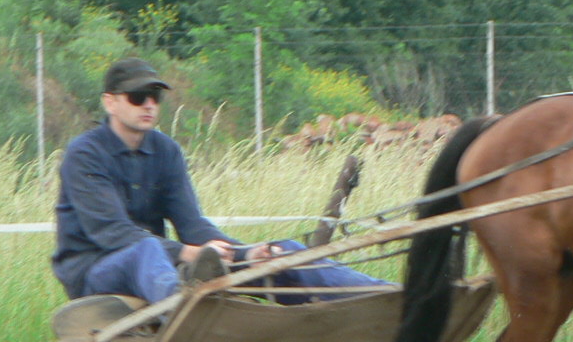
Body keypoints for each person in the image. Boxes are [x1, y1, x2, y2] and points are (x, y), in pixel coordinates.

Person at [52, 57, 391, 305]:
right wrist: (190, 253)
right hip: (95, 270)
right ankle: (186, 311)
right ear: (109, 102)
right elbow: (113, 234)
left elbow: (193, 225)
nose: (150, 105)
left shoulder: (166, 151)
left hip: (161, 264)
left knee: (282, 251)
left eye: (156, 97)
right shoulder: (85, 154)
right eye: (138, 97)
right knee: (146, 247)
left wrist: (244, 253)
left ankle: (381, 298)